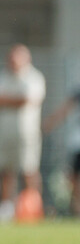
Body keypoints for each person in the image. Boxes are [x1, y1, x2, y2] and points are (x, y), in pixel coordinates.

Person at [0, 43, 45, 222]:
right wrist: (15, 100)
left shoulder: (34, 77)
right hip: (6, 133)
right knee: (6, 170)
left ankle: (32, 206)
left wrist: (9, 100)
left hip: (27, 134)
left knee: (29, 170)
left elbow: (28, 99)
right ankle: (6, 207)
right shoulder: (2, 77)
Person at [43, 85, 80, 216]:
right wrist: (49, 123)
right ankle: (77, 210)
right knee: (74, 178)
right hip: (78, 143)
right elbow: (65, 110)